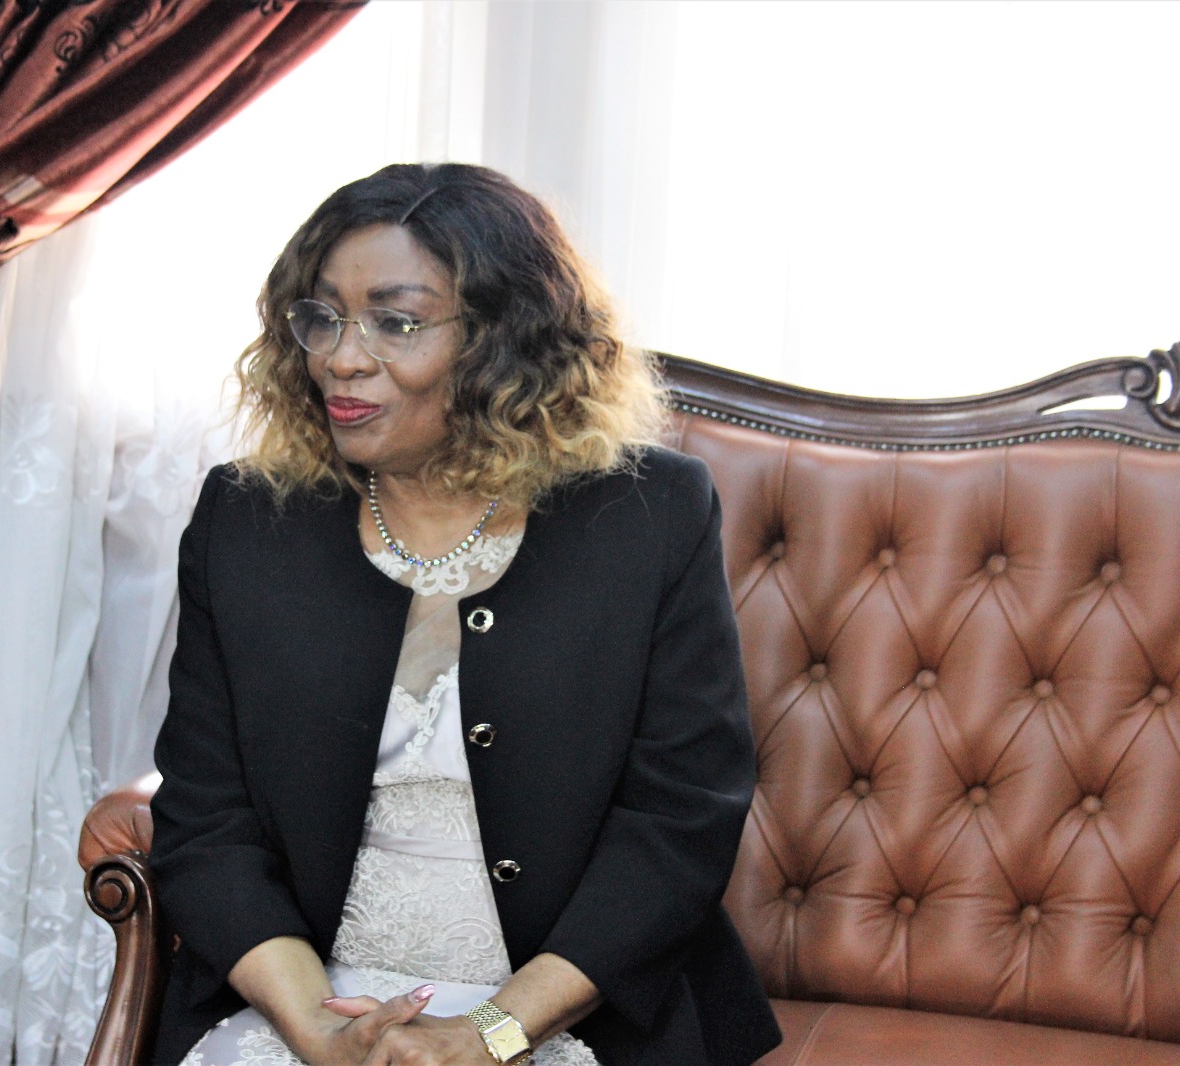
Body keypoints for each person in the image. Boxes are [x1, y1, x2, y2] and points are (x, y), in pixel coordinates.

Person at [150, 163, 781, 1066]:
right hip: (304, 1000)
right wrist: (315, 1026)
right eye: (322, 316)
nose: (341, 358)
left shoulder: (649, 515)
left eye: (397, 322)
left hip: (565, 1008)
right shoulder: (247, 519)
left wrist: (491, 1036)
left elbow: (680, 822)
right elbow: (205, 820)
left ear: (503, 340)